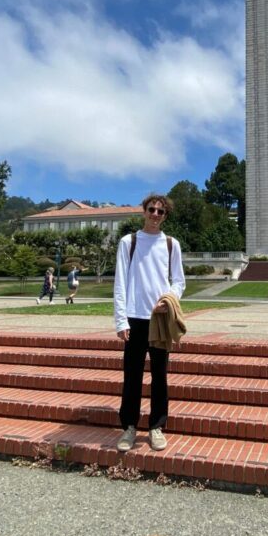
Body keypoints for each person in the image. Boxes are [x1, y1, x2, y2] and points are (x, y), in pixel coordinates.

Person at [113, 193, 185, 453]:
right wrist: (121, 321)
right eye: (152, 209)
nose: (155, 215)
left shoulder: (170, 244)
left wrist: (169, 300)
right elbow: (120, 282)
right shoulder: (128, 242)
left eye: (161, 212)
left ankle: (156, 427)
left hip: (160, 319)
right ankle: (129, 427)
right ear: (143, 211)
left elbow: (179, 280)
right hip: (134, 317)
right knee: (131, 376)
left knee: (160, 376)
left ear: (165, 216)